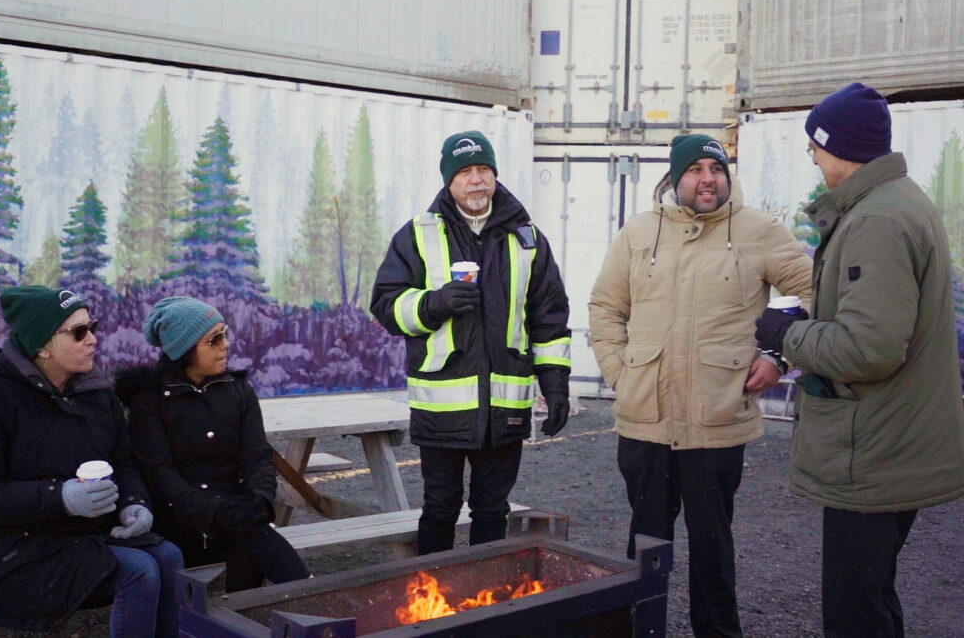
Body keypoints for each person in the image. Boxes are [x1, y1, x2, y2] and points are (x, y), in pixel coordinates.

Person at [754, 82, 964, 637]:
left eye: (814, 148)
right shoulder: (893, 204)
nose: (813, 159)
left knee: (854, 612)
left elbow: (869, 349)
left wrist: (787, 333)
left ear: (839, 146)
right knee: (871, 597)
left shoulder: (877, 221)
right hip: (889, 442)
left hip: (875, 450)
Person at [588, 134, 813, 637]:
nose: (707, 178)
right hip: (645, 419)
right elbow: (605, 308)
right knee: (645, 544)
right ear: (675, 178)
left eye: (716, 167)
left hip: (718, 419)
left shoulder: (758, 230)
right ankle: (640, 630)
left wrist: (779, 357)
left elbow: (813, 289)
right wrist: (621, 377)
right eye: (695, 169)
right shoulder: (639, 233)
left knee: (713, 544)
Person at [371, 130, 571, 554]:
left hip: (506, 403)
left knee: (491, 509)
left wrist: (555, 387)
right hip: (442, 405)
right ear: (449, 181)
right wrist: (433, 304)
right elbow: (386, 304)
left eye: (484, 169)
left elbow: (549, 317)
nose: (477, 179)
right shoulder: (418, 234)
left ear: (495, 176)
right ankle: (433, 600)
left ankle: (485, 605)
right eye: (465, 171)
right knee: (441, 507)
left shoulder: (528, 238)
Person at [0, 286, 183, 636]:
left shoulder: (97, 392)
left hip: (90, 536)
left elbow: (124, 462)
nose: (92, 340)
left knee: (169, 557)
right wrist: (60, 497)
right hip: (24, 551)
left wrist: (134, 505)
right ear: (42, 345)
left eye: (93, 326)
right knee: (141, 571)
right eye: (78, 332)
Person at [114, 296, 309, 592]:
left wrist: (260, 499)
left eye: (224, 334)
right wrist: (214, 512)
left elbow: (257, 457)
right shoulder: (149, 401)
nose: (225, 344)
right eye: (213, 339)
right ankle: (313, 598)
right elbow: (159, 475)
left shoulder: (239, 391)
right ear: (184, 348)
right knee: (250, 537)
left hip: (238, 512)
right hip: (180, 520)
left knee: (247, 543)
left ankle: (257, 619)